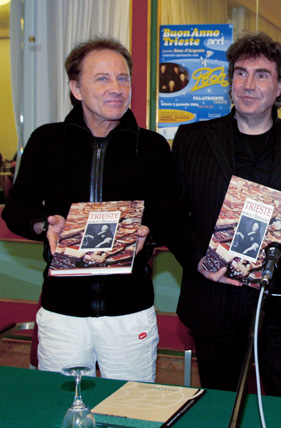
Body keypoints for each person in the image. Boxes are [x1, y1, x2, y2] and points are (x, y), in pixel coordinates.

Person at [1, 37, 183, 382]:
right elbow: (16, 209)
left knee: (130, 406)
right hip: (63, 312)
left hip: (130, 312)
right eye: (102, 78)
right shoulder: (46, 141)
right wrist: (44, 226)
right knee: (61, 405)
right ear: (76, 88)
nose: (116, 88)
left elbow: (172, 217)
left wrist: (149, 233)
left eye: (123, 78)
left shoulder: (153, 147)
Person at [172, 31, 281, 399]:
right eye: (240, 73)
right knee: (220, 404)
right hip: (213, 296)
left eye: (262, 75)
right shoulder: (192, 139)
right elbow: (172, 214)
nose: (248, 85)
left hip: (280, 302)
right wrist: (197, 260)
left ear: (280, 86)